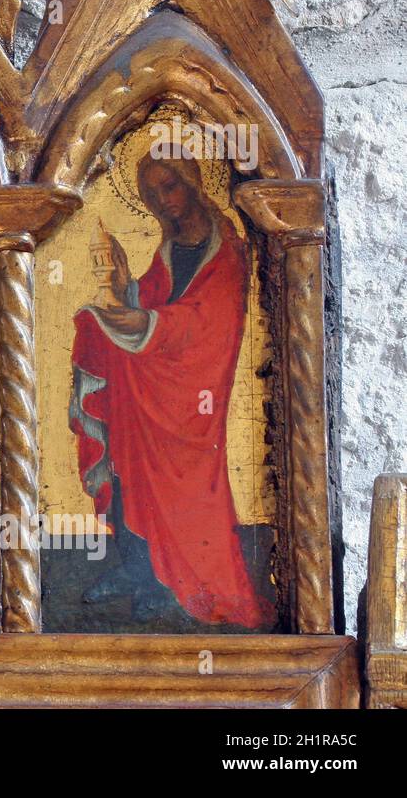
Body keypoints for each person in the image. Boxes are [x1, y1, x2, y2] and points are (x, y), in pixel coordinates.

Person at [69, 153, 269, 628]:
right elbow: (155, 298)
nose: (165, 201)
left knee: (181, 485)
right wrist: (125, 291)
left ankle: (176, 584)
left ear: (194, 182)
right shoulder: (170, 247)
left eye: (170, 187)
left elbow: (206, 322)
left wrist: (146, 323)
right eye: (154, 195)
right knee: (99, 347)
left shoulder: (227, 252)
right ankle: (138, 569)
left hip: (190, 394)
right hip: (150, 382)